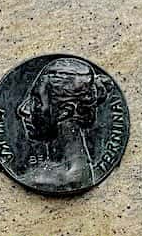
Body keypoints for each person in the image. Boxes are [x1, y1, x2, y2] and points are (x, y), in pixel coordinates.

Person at [16, 56, 112, 193]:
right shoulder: (47, 171)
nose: (23, 110)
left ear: (65, 112)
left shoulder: (44, 181)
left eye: (36, 101)